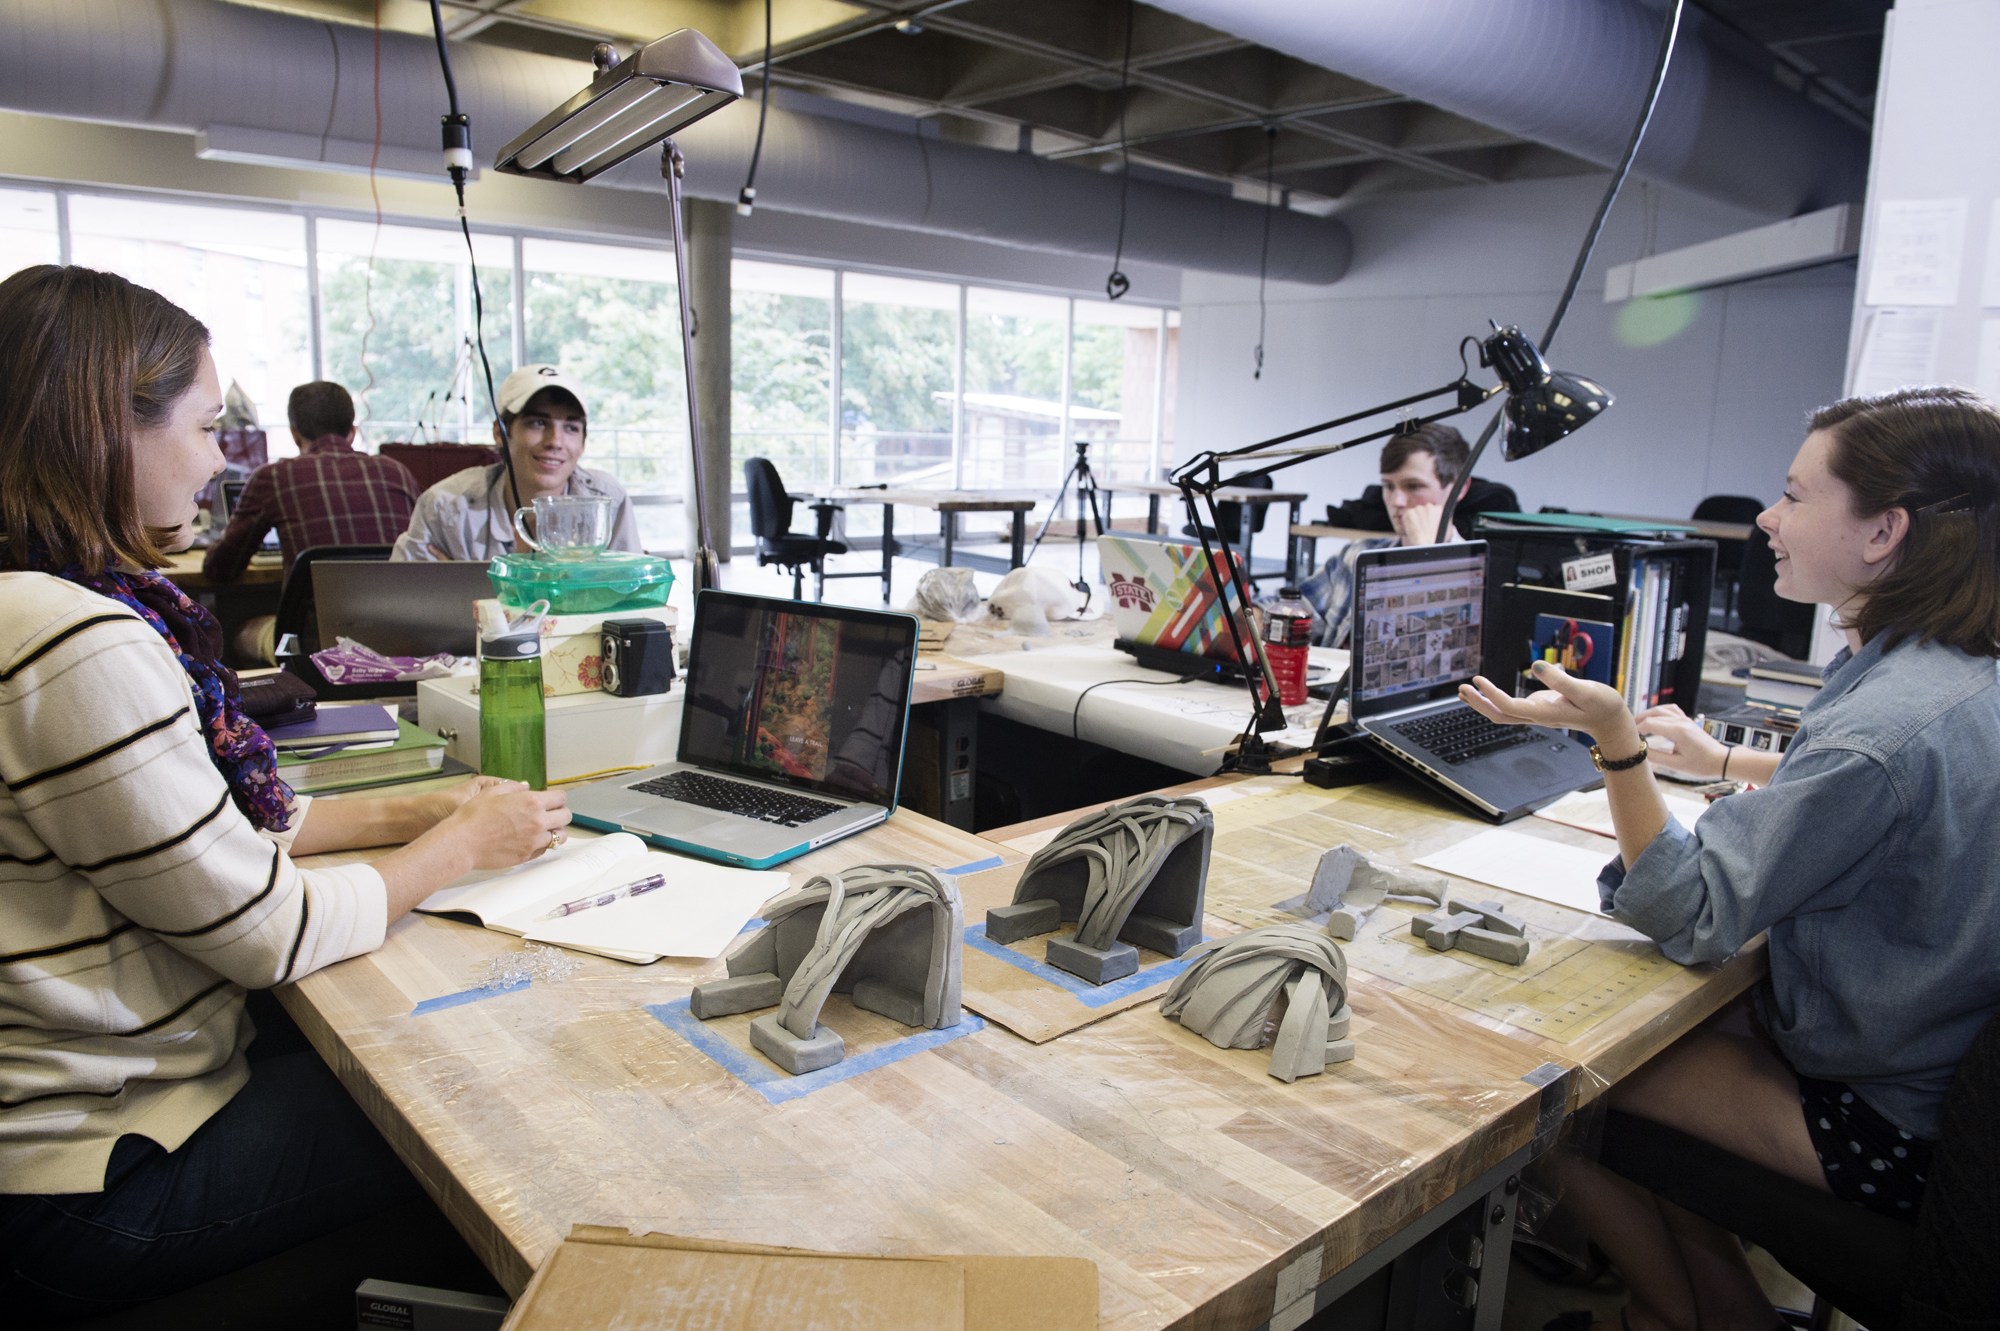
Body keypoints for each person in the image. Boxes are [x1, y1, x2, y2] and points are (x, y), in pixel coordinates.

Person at [0, 264, 574, 1323]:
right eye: (208, 426)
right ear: (101, 428)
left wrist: (426, 809)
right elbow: (264, 932)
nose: (222, 461)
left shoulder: (37, 603)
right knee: (476, 1073)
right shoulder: (77, 642)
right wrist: (456, 851)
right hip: (94, 1177)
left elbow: (224, 829)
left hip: (80, 1122)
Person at [1457, 387, 2000, 1331]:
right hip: (1937, 1072)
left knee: (1546, 1072)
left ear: (1883, 532)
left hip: (1887, 1120)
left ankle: (1674, 1319)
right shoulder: (1957, 672)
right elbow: (1882, 779)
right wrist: (1725, 763)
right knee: (1661, 1047)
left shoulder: (1881, 723)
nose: (1766, 517)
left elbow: (1691, 906)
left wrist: (1617, 740)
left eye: (1794, 495)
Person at [203, 380, 423, 663]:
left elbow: (220, 568)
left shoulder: (274, 478)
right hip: (400, 642)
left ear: (295, 434)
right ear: (352, 432)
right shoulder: (398, 473)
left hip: (315, 649)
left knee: (241, 631)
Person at [392, 364, 642, 561]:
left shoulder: (607, 502)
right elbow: (404, 606)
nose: (555, 441)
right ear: (500, 433)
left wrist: (471, 592)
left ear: (583, 443)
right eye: (538, 423)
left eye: (570, 427)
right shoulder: (446, 507)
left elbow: (633, 601)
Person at [1299, 423, 1514, 647]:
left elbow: (1433, 654)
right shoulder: (1356, 554)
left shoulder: (1475, 574)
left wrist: (1425, 554)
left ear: (1459, 488)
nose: (1396, 502)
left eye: (1413, 486)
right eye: (1389, 486)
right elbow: (1290, 611)